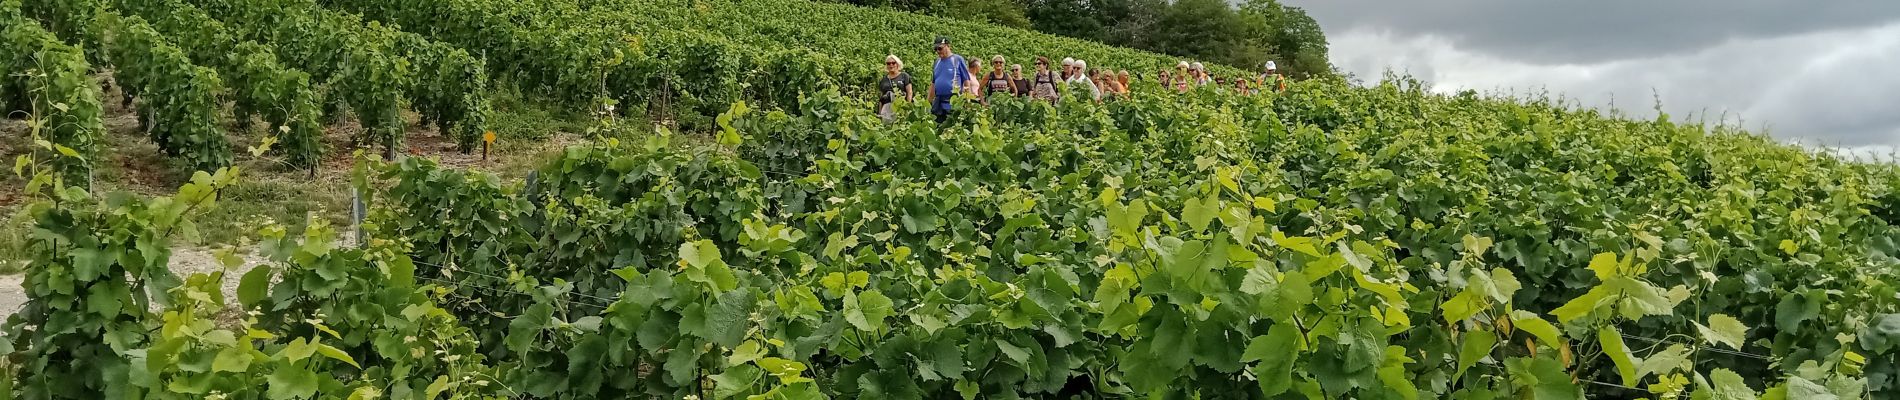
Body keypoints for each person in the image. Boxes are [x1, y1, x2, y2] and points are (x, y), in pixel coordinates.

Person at [927, 36, 970, 125]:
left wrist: (967, 100)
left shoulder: (957, 60)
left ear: (948, 46)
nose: (938, 51)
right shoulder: (937, 62)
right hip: (939, 103)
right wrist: (928, 103)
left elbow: (966, 81)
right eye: (936, 49)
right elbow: (933, 83)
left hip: (953, 103)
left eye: (940, 48)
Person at [876, 54, 914, 122]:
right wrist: (879, 113)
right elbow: (881, 98)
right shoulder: (883, 80)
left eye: (893, 63)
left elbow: (909, 92)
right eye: (888, 63)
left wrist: (907, 107)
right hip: (886, 108)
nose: (891, 65)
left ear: (897, 64)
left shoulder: (904, 76)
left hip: (900, 105)